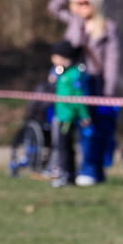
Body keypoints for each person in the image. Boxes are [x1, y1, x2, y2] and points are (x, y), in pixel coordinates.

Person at [48, 0, 120, 185]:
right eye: (79, 2)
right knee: (66, 130)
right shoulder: (73, 21)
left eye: (86, 2)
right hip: (71, 81)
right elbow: (54, 7)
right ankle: (68, 170)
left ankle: (89, 170)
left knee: (90, 129)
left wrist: (108, 92)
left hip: (94, 83)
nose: (81, 5)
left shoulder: (108, 28)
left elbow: (112, 62)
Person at [47, 39, 92, 188]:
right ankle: (69, 174)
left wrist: (84, 115)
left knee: (64, 147)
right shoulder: (63, 73)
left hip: (67, 118)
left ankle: (67, 174)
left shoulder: (74, 75)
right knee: (62, 146)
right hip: (60, 116)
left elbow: (78, 98)